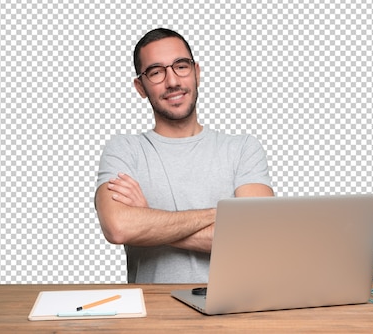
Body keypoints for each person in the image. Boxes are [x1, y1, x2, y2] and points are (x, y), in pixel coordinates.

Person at [95, 28, 274, 283]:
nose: (172, 81)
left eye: (181, 66)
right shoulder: (124, 150)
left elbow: (259, 236)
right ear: (140, 87)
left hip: (235, 313)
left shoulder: (242, 148)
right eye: (156, 72)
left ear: (197, 73)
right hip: (152, 316)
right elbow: (118, 227)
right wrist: (223, 214)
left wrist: (149, 218)